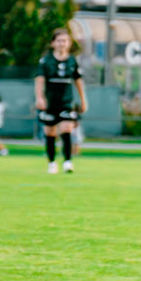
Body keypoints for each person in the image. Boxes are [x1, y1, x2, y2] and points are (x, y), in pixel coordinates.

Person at [34, 29, 87, 174]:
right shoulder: (46, 61)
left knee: (66, 129)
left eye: (65, 41)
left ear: (69, 43)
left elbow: (78, 81)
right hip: (50, 103)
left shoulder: (72, 61)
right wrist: (39, 98)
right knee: (50, 132)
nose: (62, 43)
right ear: (53, 43)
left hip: (66, 102)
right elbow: (39, 79)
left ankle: (68, 162)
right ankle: (52, 163)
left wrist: (83, 99)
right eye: (59, 41)